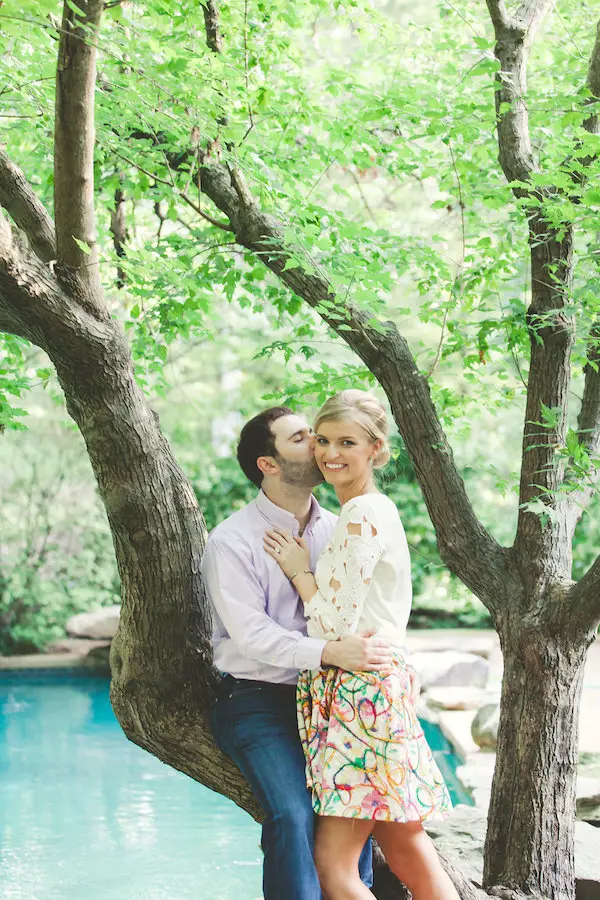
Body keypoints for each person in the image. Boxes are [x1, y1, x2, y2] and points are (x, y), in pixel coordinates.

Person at [202, 406, 405, 900]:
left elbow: (377, 604)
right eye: (301, 438)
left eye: (320, 436)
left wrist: (401, 662)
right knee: (292, 815)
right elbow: (251, 636)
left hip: (337, 699)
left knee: (351, 819)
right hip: (258, 698)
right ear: (268, 463)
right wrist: (331, 652)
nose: (319, 445)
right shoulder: (232, 541)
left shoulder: (342, 525)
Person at [264, 390, 458, 900]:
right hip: (374, 691)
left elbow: (333, 625)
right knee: (408, 848)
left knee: (334, 867)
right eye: (323, 440)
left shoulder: (360, 515)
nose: (330, 453)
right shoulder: (371, 509)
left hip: (361, 696)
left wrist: (300, 572)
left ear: (376, 449)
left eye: (347, 442)